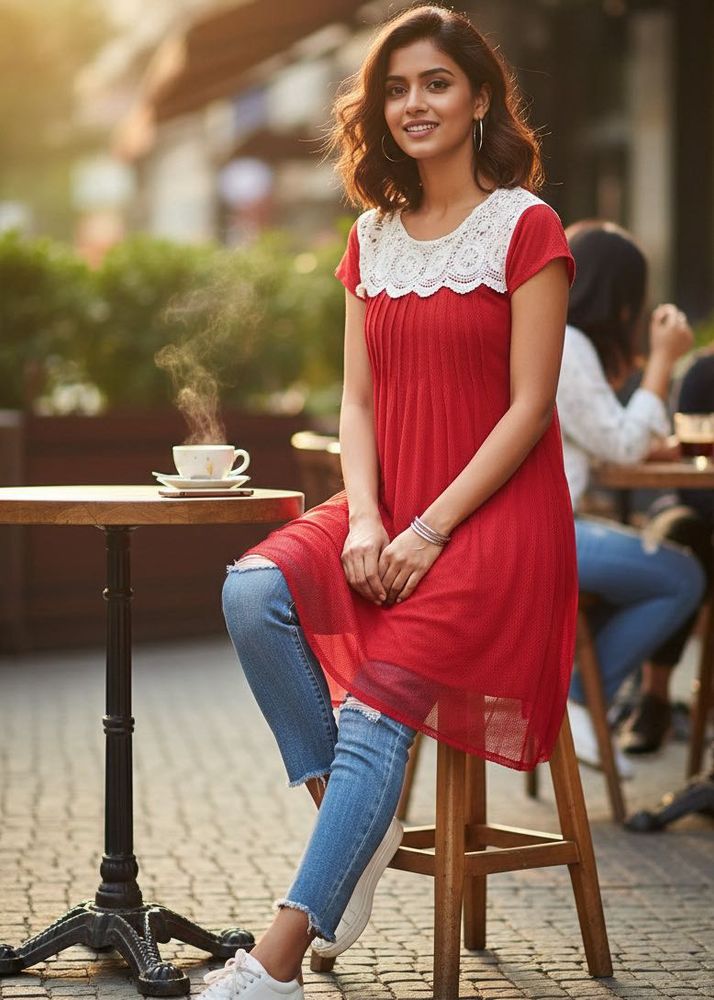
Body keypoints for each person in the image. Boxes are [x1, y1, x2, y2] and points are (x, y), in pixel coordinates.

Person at [207, 6, 578, 997]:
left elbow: (531, 407)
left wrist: (427, 528)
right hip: (389, 504)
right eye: (397, 88)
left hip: (493, 525)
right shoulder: (370, 238)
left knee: (376, 718)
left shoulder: (526, 226)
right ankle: (357, 832)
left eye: (437, 84)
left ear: (480, 99)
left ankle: (273, 962)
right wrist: (367, 518)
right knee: (251, 594)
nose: (415, 103)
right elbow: (357, 401)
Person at [555, 221, 706, 773]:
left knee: (654, 569)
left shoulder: (553, 337)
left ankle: (577, 699)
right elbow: (619, 441)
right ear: (617, 297)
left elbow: (603, 439)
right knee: (682, 576)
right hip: (544, 534)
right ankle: (575, 700)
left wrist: (643, 446)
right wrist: (663, 359)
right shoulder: (565, 343)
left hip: (532, 527)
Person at [622, 351, 714, 753]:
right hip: (696, 505)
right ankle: (654, 697)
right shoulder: (704, 372)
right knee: (676, 539)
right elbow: (693, 468)